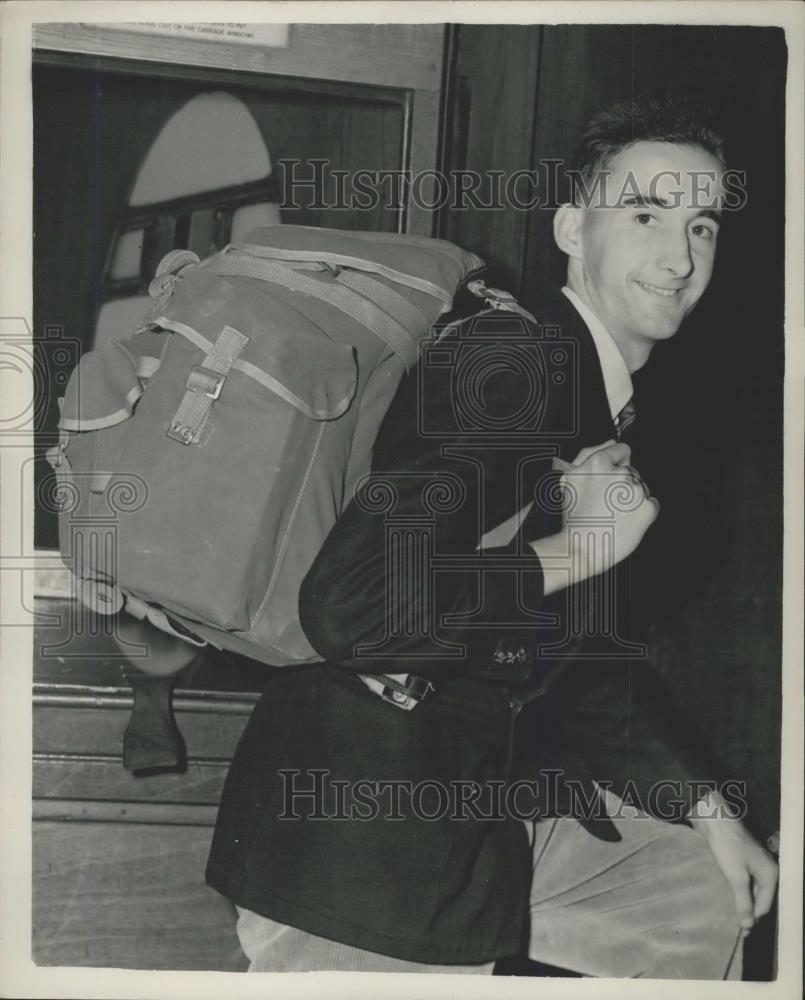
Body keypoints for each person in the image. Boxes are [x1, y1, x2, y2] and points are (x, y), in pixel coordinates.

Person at [205, 95, 778, 977]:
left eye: (702, 225)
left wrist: (706, 806)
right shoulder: (513, 371)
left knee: (694, 885)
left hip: (468, 821)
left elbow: (570, 656)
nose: (678, 256)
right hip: (368, 859)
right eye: (644, 214)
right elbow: (350, 607)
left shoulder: (588, 394)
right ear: (570, 229)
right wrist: (580, 549)